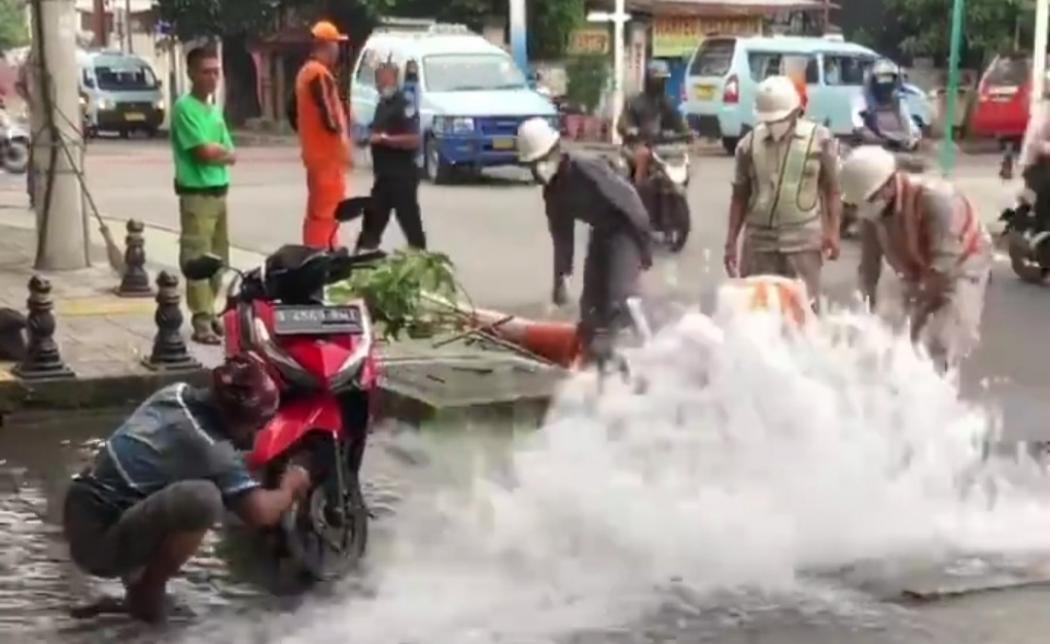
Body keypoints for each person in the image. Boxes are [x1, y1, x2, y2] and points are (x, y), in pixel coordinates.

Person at [62, 353, 311, 623]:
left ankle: (137, 588)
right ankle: (147, 594)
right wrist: (291, 484)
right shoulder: (209, 448)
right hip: (98, 541)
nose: (255, 436)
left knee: (171, 487)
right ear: (233, 417)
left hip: (83, 507)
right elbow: (259, 512)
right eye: (256, 426)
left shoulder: (175, 393)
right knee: (203, 499)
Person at [841, 146, 992, 371]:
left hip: (960, 262)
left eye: (869, 200)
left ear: (890, 184)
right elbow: (869, 264)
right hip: (917, 264)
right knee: (908, 342)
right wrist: (866, 306)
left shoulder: (938, 200)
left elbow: (942, 268)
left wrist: (918, 306)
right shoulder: (872, 208)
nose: (864, 210)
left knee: (944, 335)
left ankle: (941, 387)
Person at [516, 117, 653, 365]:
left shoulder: (586, 168)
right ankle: (595, 362)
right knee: (591, 306)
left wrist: (644, 248)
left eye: (542, 160)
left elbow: (629, 201)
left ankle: (649, 351)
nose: (539, 169)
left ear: (556, 151)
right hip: (601, 232)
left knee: (621, 297)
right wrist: (561, 278)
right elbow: (562, 236)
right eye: (533, 165)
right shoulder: (553, 193)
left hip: (624, 228)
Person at [724, 75, 842, 306]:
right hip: (759, 243)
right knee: (757, 310)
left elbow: (833, 189)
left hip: (803, 241)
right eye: (768, 120)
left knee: (803, 309)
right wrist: (731, 243)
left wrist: (833, 231)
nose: (774, 124)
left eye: (780, 118)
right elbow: (739, 196)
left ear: (795, 111)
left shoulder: (820, 140)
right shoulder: (748, 145)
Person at [171, 46, 236, 345]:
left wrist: (220, 153)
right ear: (191, 74)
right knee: (198, 258)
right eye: (206, 71)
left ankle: (211, 312)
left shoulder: (214, 111)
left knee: (218, 259)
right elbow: (204, 152)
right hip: (197, 194)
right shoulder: (185, 108)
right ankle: (201, 319)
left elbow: (229, 152)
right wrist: (219, 153)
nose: (213, 77)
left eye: (216, 71)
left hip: (219, 192)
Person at [355, 61, 426, 252]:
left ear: (393, 78)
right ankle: (361, 259)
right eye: (377, 79)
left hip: (402, 177)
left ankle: (421, 261)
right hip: (383, 177)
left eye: (382, 78)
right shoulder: (382, 104)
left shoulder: (406, 104)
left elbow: (414, 139)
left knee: (411, 224)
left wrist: (385, 140)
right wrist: (364, 138)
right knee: (372, 221)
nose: (379, 84)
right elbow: (373, 131)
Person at [295, 20, 352, 249]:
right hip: (327, 158)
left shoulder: (305, 73)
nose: (338, 50)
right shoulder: (319, 75)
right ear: (327, 45)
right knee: (327, 213)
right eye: (336, 45)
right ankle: (322, 256)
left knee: (317, 212)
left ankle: (314, 252)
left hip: (316, 157)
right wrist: (344, 147)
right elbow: (331, 119)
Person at [617, 59, 691, 186]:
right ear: (648, 80)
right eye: (656, 79)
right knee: (643, 155)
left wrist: (687, 132)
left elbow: (680, 123)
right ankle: (638, 191)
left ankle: (679, 192)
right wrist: (631, 130)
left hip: (664, 146)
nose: (659, 83)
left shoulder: (668, 102)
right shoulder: (635, 102)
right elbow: (623, 124)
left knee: (683, 157)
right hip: (639, 144)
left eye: (662, 79)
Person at [851, 59, 919, 149]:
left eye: (889, 79)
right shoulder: (864, 98)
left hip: (897, 137)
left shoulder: (898, 99)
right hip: (876, 138)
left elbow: (906, 118)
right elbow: (857, 119)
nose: (885, 85)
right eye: (881, 79)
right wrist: (862, 129)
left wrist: (913, 134)